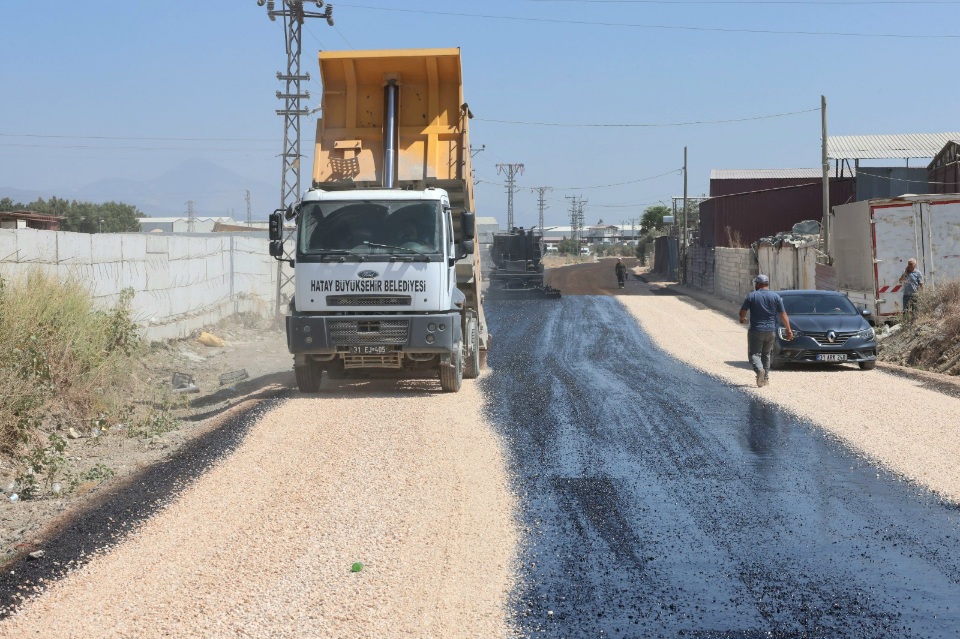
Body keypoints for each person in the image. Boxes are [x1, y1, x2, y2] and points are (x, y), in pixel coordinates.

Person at [739, 274, 792, 388]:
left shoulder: (752, 296)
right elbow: (783, 314)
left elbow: (743, 310)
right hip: (771, 330)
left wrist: (742, 318)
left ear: (758, 284)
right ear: (767, 284)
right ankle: (765, 379)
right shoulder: (776, 297)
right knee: (766, 354)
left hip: (756, 330)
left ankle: (759, 370)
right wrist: (788, 329)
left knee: (754, 354)